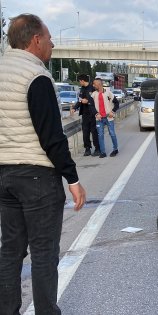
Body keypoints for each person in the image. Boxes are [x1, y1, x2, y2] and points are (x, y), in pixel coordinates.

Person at [0, 13, 86, 314]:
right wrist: (72, 179)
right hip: (36, 177)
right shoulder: (35, 76)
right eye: (49, 40)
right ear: (35, 40)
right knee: (44, 254)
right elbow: (51, 135)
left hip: (4, 176)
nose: (52, 45)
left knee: (10, 252)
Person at [72, 74, 100, 156]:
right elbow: (80, 100)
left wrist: (87, 101)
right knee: (85, 132)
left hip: (93, 113)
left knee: (94, 132)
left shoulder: (93, 88)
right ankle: (87, 148)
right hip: (85, 114)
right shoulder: (82, 89)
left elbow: (96, 100)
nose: (79, 83)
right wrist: (75, 108)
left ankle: (97, 149)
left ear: (82, 81)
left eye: (79, 81)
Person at [91, 78, 120, 158]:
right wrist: (96, 114)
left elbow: (117, 103)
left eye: (94, 84)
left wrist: (113, 112)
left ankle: (115, 149)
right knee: (100, 135)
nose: (93, 85)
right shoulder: (93, 94)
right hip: (99, 118)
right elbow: (91, 106)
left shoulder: (108, 93)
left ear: (99, 84)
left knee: (112, 133)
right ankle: (103, 152)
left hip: (109, 117)